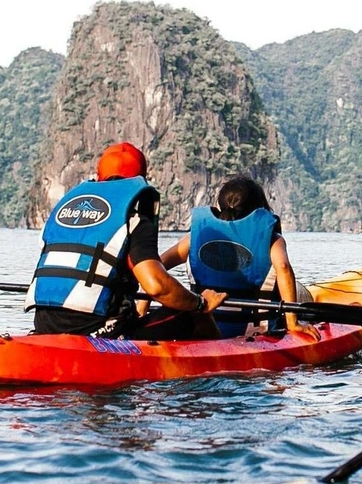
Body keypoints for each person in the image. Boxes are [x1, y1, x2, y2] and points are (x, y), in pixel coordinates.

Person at [27, 142, 225, 339]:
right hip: (98, 332)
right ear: (139, 181)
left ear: (99, 178)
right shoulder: (134, 220)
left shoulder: (61, 216)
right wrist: (200, 302)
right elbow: (156, 285)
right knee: (194, 313)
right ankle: (224, 356)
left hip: (44, 326)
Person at [159, 175, 318, 340]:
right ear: (258, 207)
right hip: (255, 333)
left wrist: (142, 308)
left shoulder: (194, 238)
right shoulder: (272, 239)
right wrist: (293, 322)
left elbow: (158, 265)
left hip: (203, 329)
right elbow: (283, 268)